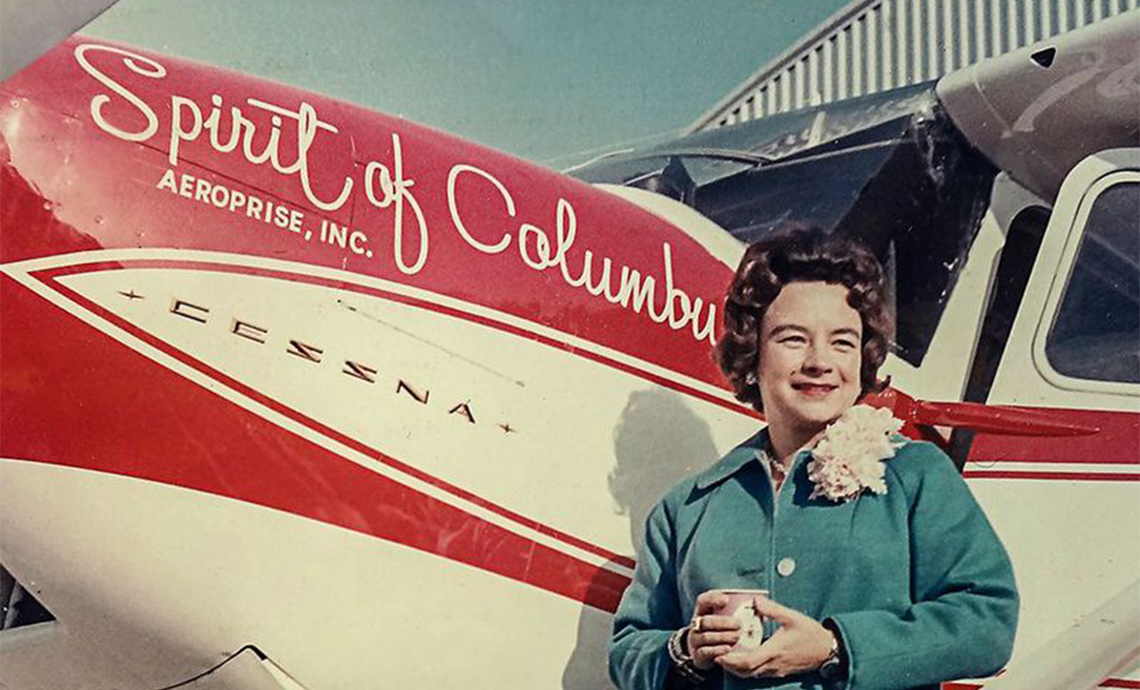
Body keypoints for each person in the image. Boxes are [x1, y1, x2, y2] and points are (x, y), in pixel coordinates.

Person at [607, 227, 1018, 689]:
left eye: (842, 342)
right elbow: (628, 649)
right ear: (753, 353)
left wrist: (835, 647)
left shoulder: (915, 474)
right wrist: (687, 650)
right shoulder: (686, 509)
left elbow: (989, 620)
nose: (820, 361)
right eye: (793, 338)